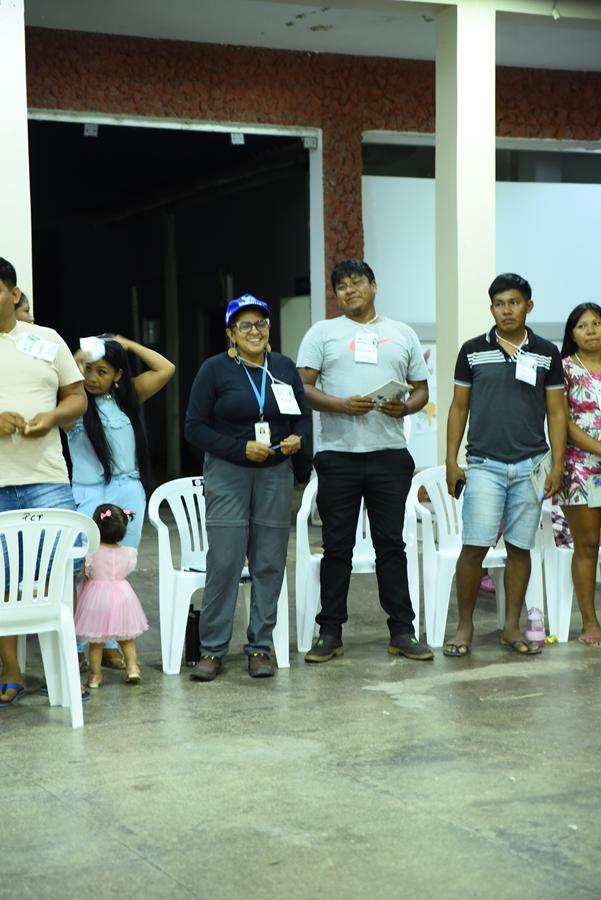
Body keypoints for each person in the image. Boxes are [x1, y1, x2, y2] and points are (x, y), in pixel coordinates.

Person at [297, 258, 433, 663]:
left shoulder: (402, 333)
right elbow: (302, 387)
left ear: (374, 286)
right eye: (341, 286)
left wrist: (404, 408)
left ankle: (402, 631)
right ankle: (330, 632)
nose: (349, 290)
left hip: (389, 456)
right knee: (336, 546)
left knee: (391, 545)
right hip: (337, 456)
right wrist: (340, 404)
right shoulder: (322, 333)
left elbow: (422, 390)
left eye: (357, 282)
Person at [184, 293, 311, 681]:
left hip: (275, 474)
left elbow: (303, 418)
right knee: (224, 561)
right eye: (245, 325)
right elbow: (194, 427)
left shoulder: (283, 367)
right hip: (228, 473)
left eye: (261, 324)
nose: (254, 331)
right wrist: (240, 448)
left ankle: (260, 647)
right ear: (231, 333)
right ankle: (212, 649)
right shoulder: (214, 370)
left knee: (269, 561)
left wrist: (298, 440)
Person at [445, 272, 566, 657]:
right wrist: (451, 460)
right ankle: (464, 626)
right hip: (484, 465)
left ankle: (511, 626)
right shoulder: (472, 351)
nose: (506, 310)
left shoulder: (546, 352)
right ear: (492, 308)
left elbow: (557, 413)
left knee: (519, 548)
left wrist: (557, 465)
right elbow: (458, 407)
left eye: (514, 302)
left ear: (529, 305)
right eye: (499, 304)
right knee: (473, 547)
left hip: (531, 466)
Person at [0, 257, 87, 706]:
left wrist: (52, 417)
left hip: (46, 478)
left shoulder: (47, 339)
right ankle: (11, 671)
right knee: (2, 582)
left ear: (14, 294)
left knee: (62, 573)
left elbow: (77, 397)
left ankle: (66, 666)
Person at [67, 334, 174, 668]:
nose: (92, 378)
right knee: (83, 571)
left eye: (102, 371)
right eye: (88, 370)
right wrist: (76, 361)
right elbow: (64, 386)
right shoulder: (73, 400)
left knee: (114, 573)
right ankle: (81, 647)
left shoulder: (128, 397)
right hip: (86, 493)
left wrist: (127, 344)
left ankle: (110, 643)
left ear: (118, 375)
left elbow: (166, 368)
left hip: (126, 492)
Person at [556, 303, 601, 647]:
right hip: (581, 467)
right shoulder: (564, 369)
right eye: (583, 325)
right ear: (572, 333)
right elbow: (562, 422)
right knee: (587, 544)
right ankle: (589, 622)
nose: (591, 330)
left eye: (597, 323)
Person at [75, 503, 149, 687]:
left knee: (96, 641)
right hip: (122, 597)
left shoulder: (91, 552)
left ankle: (95, 676)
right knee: (126, 637)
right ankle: (132, 667)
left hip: (96, 599)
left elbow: (85, 573)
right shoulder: (129, 553)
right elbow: (127, 570)